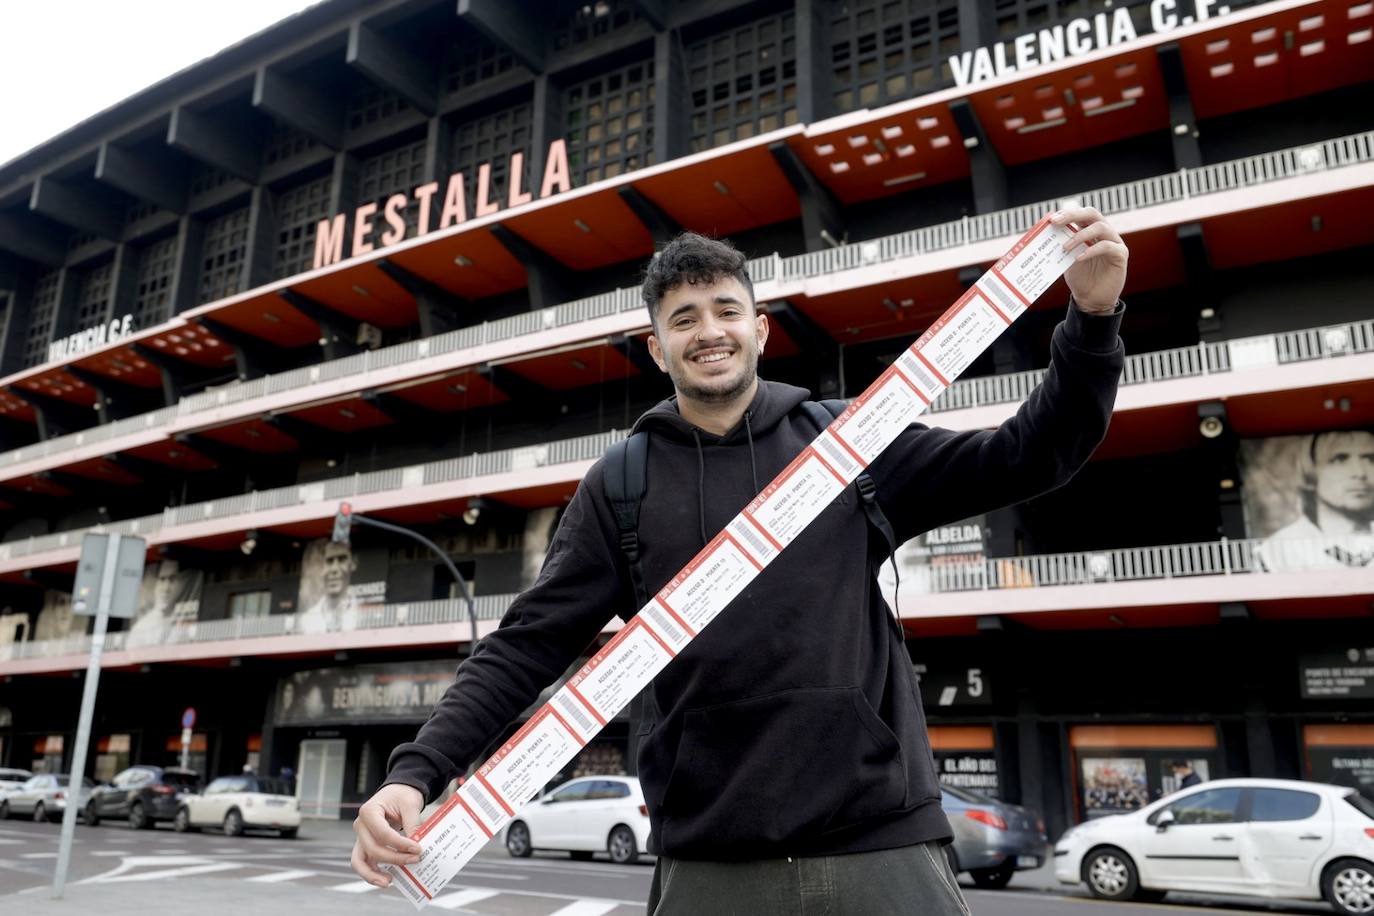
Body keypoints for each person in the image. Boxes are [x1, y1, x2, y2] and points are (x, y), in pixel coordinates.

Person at [351, 209, 1128, 914]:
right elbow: (527, 646)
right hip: (710, 858)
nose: (708, 331)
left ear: (759, 328)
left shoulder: (850, 440)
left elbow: (1028, 457)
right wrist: (414, 774)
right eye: (683, 319)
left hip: (880, 841)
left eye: (726, 311)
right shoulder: (620, 484)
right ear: (657, 349)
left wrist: (1092, 322)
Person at [1258, 429, 1374, 572]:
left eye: (1370, 459)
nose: (1360, 473)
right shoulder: (1278, 550)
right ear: (1309, 471)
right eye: (1340, 459)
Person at [298, 539, 361, 633]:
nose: (334, 569)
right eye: (329, 561)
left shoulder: (362, 613)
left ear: (353, 564)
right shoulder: (307, 619)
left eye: (342, 559)